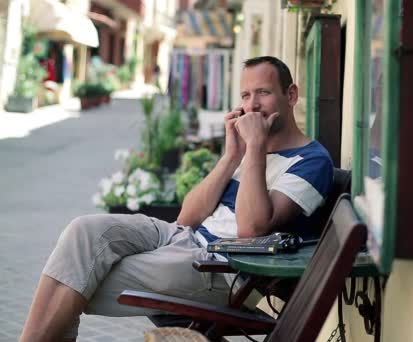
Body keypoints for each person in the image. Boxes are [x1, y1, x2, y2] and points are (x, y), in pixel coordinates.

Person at [20, 56, 334, 342]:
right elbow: (187, 217)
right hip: (183, 238)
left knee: (74, 277)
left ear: (290, 95)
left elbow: (251, 228)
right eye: (245, 96)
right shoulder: (247, 151)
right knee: (83, 231)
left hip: (219, 269)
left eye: (263, 93)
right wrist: (231, 156)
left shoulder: (311, 161)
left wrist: (253, 148)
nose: (252, 105)